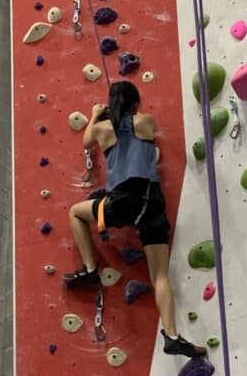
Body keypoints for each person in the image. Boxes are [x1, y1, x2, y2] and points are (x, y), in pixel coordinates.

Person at [63, 81, 207, 359]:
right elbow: (148, 138)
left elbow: (86, 142)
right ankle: (172, 334)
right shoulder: (145, 121)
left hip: (120, 203)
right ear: (135, 102)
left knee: (75, 212)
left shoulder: (102, 130)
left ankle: (91, 267)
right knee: (160, 275)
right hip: (150, 202)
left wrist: (95, 113)